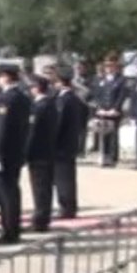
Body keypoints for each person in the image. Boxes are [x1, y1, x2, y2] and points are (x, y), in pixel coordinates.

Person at [0, 65, 31, 245]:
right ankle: (12, 228)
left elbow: (2, 129)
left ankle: (9, 230)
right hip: (16, 151)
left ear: (7, 77)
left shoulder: (7, 98)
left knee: (6, 193)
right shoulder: (22, 97)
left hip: (6, 153)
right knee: (12, 191)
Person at [53, 67, 87, 219]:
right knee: (68, 176)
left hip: (61, 145)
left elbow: (58, 123)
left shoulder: (63, 99)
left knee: (63, 178)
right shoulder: (75, 98)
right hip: (71, 141)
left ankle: (66, 207)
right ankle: (69, 206)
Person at [25, 75, 57, 233]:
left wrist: (25, 152)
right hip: (47, 151)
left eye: (32, 87)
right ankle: (43, 217)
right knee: (44, 187)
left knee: (40, 188)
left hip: (39, 153)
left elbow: (32, 132)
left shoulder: (40, 106)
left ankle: (41, 219)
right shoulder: (50, 104)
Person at [94, 56, 129, 167]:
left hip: (114, 111)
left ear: (115, 67)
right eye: (106, 65)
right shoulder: (101, 80)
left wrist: (116, 108)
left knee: (113, 135)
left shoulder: (121, 80)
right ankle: (104, 156)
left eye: (111, 65)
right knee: (103, 135)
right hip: (102, 111)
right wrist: (99, 108)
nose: (108, 68)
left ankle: (113, 158)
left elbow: (121, 95)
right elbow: (97, 95)